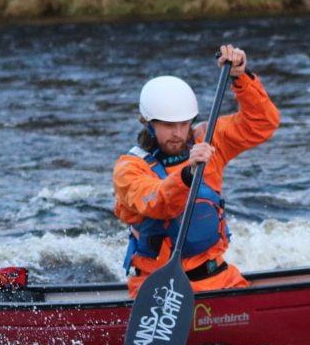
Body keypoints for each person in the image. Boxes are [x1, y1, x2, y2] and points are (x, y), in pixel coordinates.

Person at [113, 45, 279, 296]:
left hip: (218, 277)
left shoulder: (208, 138)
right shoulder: (129, 167)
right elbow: (156, 203)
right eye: (169, 126)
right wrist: (188, 174)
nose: (179, 133)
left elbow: (262, 124)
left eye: (184, 123)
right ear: (148, 123)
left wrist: (240, 77)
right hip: (158, 289)